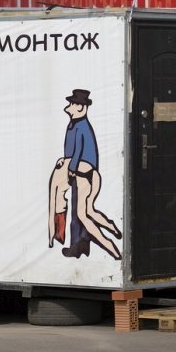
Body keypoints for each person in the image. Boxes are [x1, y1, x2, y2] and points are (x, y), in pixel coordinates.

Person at [48, 89, 121, 260]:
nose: (68, 106)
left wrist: (71, 168)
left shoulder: (81, 126)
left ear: (80, 107)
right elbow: (72, 151)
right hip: (81, 172)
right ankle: (94, 237)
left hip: (83, 174)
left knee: (82, 214)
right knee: (86, 212)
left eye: (72, 104)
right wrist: (65, 160)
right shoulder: (74, 124)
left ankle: (111, 249)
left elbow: (79, 150)